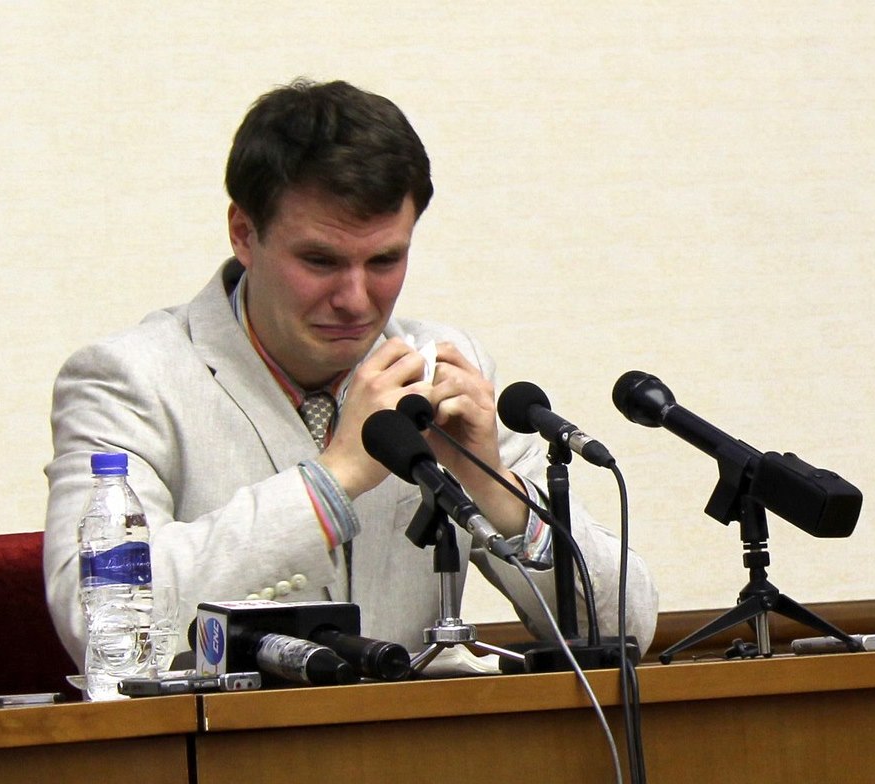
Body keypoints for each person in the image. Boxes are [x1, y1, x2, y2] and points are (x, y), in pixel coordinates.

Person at [44, 79, 657, 669]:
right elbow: (99, 628)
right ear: (244, 234)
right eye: (320, 260)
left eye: (385, 260)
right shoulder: (128, 380)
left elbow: (626, 628)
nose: (356, 300)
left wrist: (493, 487)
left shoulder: (439, 367)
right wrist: (333, 479)